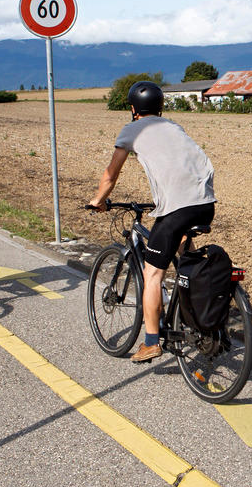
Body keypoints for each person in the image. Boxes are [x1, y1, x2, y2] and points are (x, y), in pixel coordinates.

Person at [88, 81, 216, 363]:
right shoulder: (174, 126)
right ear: (161, 107)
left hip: (177, 209)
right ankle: (193, 314)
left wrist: (98, 200)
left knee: (152, 275)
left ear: (133, 109)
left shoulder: (133, 129)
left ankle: (150, 342)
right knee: (184, 256)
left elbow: (111, 174)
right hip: (205, 205)